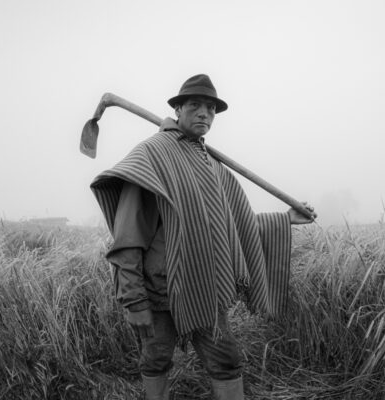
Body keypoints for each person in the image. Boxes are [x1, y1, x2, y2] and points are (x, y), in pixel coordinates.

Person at [90, 74, 315, 400]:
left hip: (205, 289)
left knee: (226, 361)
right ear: (178, 108)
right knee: (156, 361)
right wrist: (134, 300)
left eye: (210, 108)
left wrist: (285, 220)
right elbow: (128, 237)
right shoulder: (153, 156)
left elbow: (231, 223)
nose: (204, 113)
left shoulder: (209, 163)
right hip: (158, 292)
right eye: (195, 105)